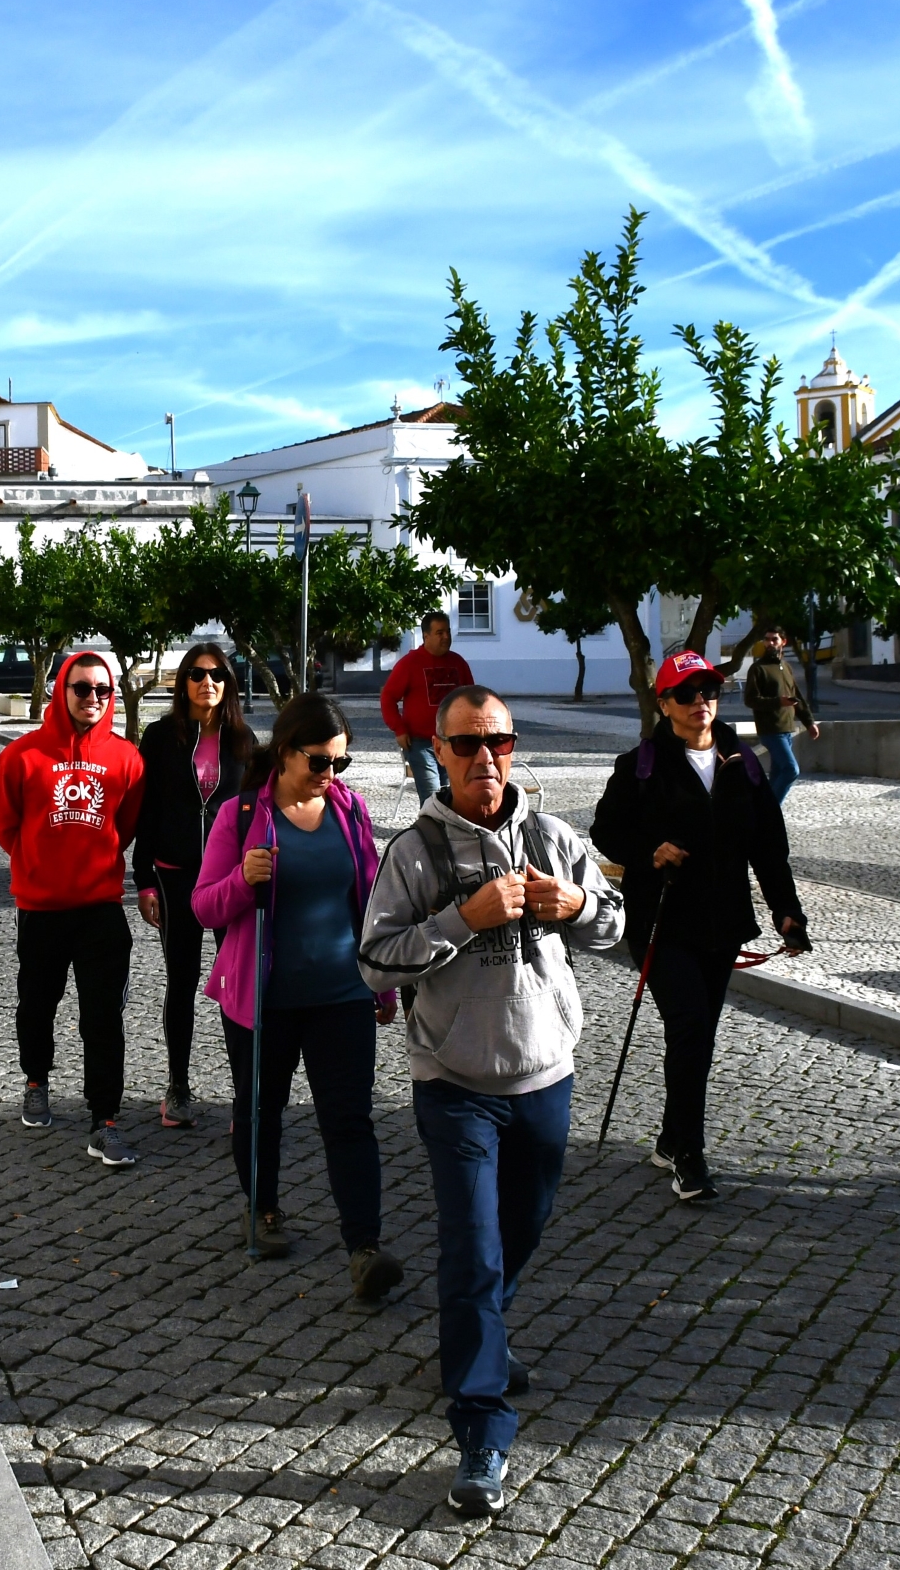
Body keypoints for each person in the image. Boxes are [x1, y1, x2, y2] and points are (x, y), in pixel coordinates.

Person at [358, 684, 623, 1518]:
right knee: (472, 1250)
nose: (485, 759)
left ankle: (483, 1335)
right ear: (437, 751)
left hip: (545, 1075)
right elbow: (373, 959)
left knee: (520, 1231)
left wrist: (576, 903)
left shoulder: (550, 834)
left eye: (499, 742)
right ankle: (481, 1428)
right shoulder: (414, 852)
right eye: (468, 744)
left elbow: (613, 921)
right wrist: (460, 919)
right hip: (455, 1087)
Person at [192, 694, 404, 1298]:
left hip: (341, 993)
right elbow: (204, 905)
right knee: (260, 1111)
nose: (329, 775)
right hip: (265, 998)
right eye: (318, 762)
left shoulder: (350, 811)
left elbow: (367, 899)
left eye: (340, 763)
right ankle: (262, 1208)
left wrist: (382, 981)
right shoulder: (239, 816)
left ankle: (364, 1246)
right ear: (284, 752)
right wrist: (243, 878)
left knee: (350, 1120)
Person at [590, 649, 810, 1205]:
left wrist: (787, 913)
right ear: (664, 703)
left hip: (724, 923)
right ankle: (689, 1154)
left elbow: (768, 847)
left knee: (698, 1037)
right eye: (686, 694)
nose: (700, 704)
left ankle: (670, 1134)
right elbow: (606, 832)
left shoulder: (744, 760)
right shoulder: (640, 764)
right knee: (689, 1026)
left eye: (708, 692)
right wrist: (649, 850)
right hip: (661, 922)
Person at [0, 650, 147, 1166]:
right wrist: (39, 862)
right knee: (37, 1004)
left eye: (103, 690)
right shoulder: (21, 756)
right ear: (63, 690)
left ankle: (105, 1119)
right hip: (41, 908)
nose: (93, 699)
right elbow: (5, 826)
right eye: (83, 688)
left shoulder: (127, 758)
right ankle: (36, 1079)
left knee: (103, 1018)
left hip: (101, 908)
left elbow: (125, 827)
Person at [133, 643, 255, 1128]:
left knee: (235, 984)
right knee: (180, 981)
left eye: (218, 675)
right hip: (174, 876)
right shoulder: (160, 737)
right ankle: (178, 1086)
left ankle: (243, 1093)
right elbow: (147, 812)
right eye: (198, 674)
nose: (209, 682)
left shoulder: (244, 740)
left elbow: (255, 811)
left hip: (230, 881)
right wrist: (143, 880)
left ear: (228, 684)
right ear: (183, 682)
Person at [380, 611, 473, 805]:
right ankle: (432, 833)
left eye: (448, 632)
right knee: (432, 795)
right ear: (426, 636)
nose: (446, 637)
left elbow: (470, 698)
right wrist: (399, 728)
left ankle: (451, 832)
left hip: (454, 742)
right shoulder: (409, 664)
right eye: (439, 633)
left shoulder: (458, 663)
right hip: (421, 743)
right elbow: (388, 697)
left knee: (454, 794)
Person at [740, 626, 821, 803]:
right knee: (791, 770)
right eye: (767, 639)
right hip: (770, 730)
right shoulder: (758, 668)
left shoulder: (786, 667)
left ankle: (763, 815)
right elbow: (751, 700)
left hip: (787, 729)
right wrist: (778, 702)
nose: (770, 643)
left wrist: (809, 722)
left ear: (783, 642)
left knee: (777, 775)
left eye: (774, 639)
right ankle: (771, 813)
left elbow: (797, 697)